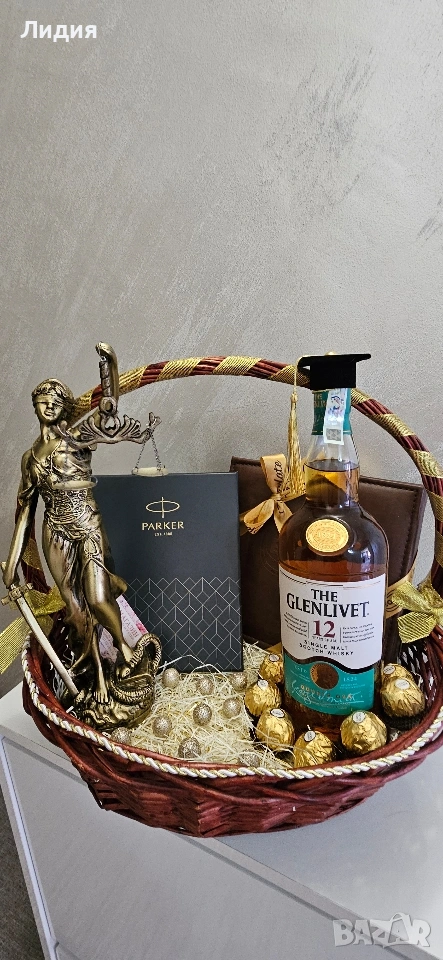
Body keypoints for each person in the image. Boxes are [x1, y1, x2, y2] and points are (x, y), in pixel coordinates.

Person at [2, 367, 136, 704]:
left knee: (98, 598)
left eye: (56, 400)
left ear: (66, 407)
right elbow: (25, 514)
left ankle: (122, 645)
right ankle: (96, 674)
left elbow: (108, 411)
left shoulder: (77, 439)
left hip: (87, 524)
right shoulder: (29, 459)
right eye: (43, 399)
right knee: (75, 612)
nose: (49, 405)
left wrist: (109, 366)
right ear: (35, 405)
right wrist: (12, 564)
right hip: (55, 533)